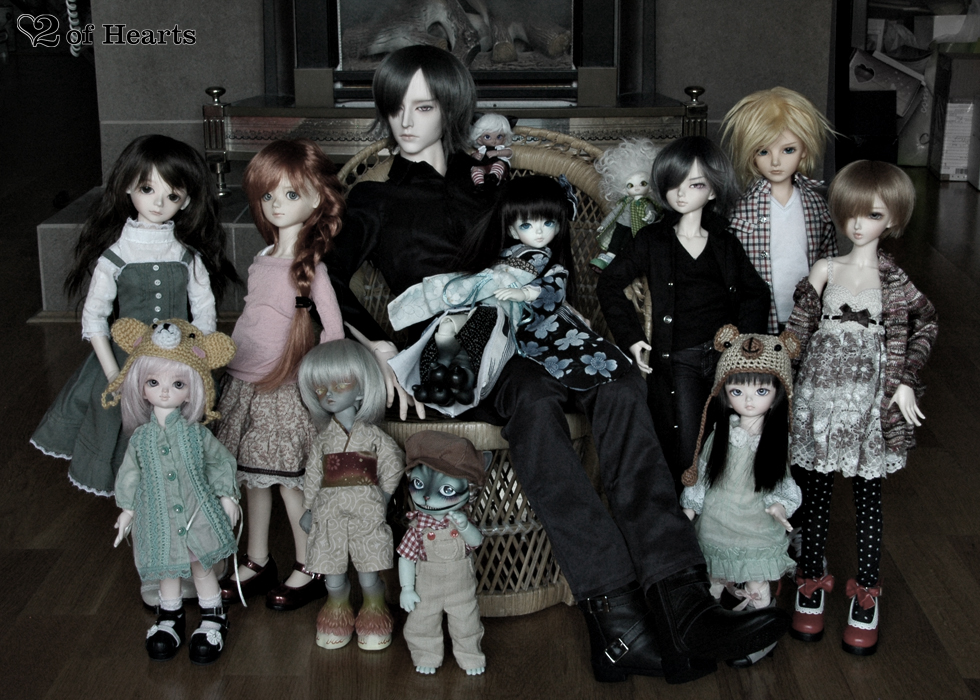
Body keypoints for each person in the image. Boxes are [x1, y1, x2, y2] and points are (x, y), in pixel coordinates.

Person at [328, 44, 788, 684]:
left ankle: (679, 599)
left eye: (424, 107)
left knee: (621, 384)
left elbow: (553, 245)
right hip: (456, 357)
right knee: (536, 402)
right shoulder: (374, 200)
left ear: (451, 110)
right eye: (395, 107)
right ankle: (618, 621)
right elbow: (323, 279)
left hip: (534, 331)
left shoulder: (493, 182)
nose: (406, 122)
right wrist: (378, 345)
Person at [32, 133, 237, 498]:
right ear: (128, 187)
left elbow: (205, 313)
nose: (158, 202)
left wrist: (197, 358)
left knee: (183, 431)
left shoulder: (187, 257)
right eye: (147, 188)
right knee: (124, 427)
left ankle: (175, 499)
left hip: (178, 362)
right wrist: (114, 373)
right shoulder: (115, 257)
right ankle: (136, 502)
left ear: (187, 201)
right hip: (125, 359)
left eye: (172, 195)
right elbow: (95, 317)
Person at [787, 161, 937, 656]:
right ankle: (810, 581)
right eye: (851, 212)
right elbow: (797, 332)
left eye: (872, 215)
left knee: (869, 500)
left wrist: (906, 380)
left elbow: (927, 323)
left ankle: (866, 593)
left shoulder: (895, 281)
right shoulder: (825, 270)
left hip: (869, 404)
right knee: (816, 495)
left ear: (892, 219)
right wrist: (774, 377)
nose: (858, 224)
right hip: (820, 399)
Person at [214, 139, 345, 611]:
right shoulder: (262, 256)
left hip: (285, 388)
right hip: (244, 382)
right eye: (268, 195)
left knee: (290, 482)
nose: (276, 205)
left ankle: (311, 563)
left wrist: (322, 386)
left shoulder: (312, 268)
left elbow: (333, 330)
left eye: (290, 195)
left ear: (317, 200)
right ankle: (258, 558)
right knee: (253, 480)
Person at [598, 136, 771, 489]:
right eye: (674, 183)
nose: (681, 193)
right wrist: (632, 338)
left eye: (695, 185)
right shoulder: (652, 240)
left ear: (712, 190)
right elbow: (609, 283)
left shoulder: (725, 241)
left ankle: (720, 513)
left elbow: (756, 293)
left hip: (724, 356)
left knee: (729, 437)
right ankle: (685, 516)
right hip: (679, 360)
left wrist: (745, 347)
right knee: (687, 445)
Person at [106, 317, 239, 664]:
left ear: (192, 390)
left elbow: (219, 462)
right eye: (154, 382)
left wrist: (227, 496)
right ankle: (169, 617)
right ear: (141, 387)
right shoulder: (141, 439)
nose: (164, 391)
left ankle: (213, 616)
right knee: (167, 570)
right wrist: (127, 511)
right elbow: (130, 475)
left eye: (177, 383)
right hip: (160, 519)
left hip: (197, 515)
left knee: (202, 568)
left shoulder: (196, 434)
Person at [679, 325, 802, 667]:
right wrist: (689, 511)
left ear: (778, 392)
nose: (748, 400)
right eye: (737, 391)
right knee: (712, 584)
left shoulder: (777, 441)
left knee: (757, 587)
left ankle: (759, 636)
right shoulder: (720, 433)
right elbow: (701, 476)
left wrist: (781, 506)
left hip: (756, 526)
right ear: (723, 391)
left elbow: (785, 483)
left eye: (761, 391)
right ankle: (706, 634)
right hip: (717, 523)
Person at [296, 340, 404, 651]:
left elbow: (393, 463)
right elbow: (313, 475)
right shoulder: (324, 440)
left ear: (361, 390)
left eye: (339, 384)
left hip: (367, 514)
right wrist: (308, 508)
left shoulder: (372, 436)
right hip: (328, 515)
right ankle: (336, 614)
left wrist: (384, 496)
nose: (328, 394)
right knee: (332, 577)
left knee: (369, 575)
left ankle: (374, 615)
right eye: (320, 388)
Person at [722, 87, 838, 333]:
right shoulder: (740, 208)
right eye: (763, 151)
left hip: (806, 317)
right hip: (756, 320)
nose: (775, 161)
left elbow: (830, 263)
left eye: (788, 150)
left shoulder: (817, 205)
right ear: (751, 154)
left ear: (804, 150)